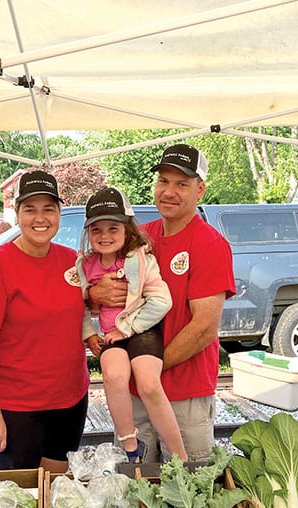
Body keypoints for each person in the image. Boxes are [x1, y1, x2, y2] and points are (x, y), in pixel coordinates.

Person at [89, 144, 235, 462]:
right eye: (163, 182)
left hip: (185, 393)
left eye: (181, 184)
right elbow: (95, 287)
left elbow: (204, 328)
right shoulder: (138, 237)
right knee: (133, 481)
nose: (169, 192)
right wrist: (93, 294)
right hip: (133, 393)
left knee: (187, 484)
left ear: (200, 190)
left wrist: (148, 369)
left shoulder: (210, 244)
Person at [0, 170, 90, 472]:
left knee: (54, 494)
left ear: (59, 212)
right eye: (29, 209)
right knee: (18, 503)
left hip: (70, 402)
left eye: (48, 208)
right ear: (17, 213)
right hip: (17, 409)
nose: (39, 218)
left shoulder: (72, 261)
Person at [76, 186, 189, 463]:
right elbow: (76, 305)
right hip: (110, 336)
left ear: (127, 230)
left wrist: (125, 329)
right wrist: (89, 333)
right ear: (88, 233)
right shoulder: (85, 265)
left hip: (141, 329)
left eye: (113, 228)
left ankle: (179, 455)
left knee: (148, 382)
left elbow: (162, 302)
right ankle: (131, 450)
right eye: (96, 230)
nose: (104, 236)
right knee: (114, 376)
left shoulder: (140, 260)